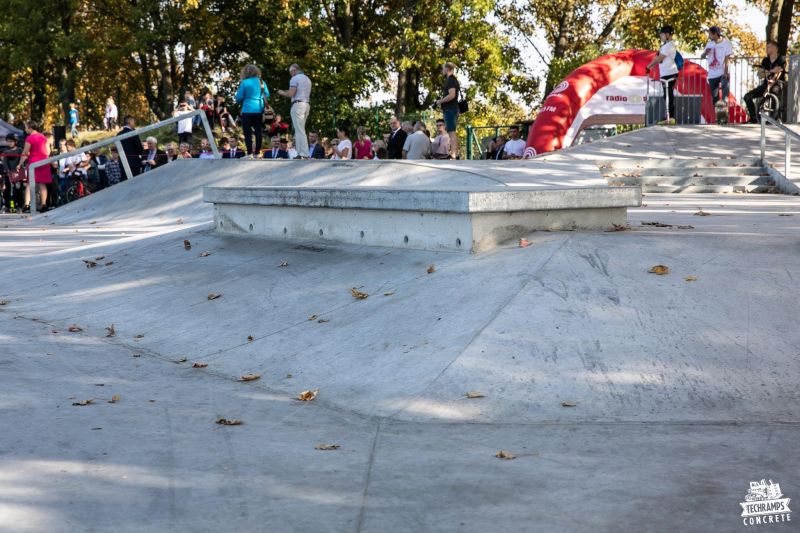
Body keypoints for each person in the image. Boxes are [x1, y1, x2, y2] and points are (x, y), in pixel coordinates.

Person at [744, 41, 787, 123]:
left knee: (774, 92)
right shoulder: (765, 60)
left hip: (778, 82)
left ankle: (776, 117)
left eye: (769, 47)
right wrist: (771, 71)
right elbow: (761, 74)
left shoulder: (781, 59)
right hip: (766, 83)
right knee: (747, 96)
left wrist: (768, 72)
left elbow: (779, 70)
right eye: (766, 47)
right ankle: (753, 118)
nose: (766, 49)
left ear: (775, 48)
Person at [646, 25, 679, 124]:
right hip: (666, 73)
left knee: (668, 96)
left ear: (668, 35)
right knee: (667, 95)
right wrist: (651, 65)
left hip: (669, 73)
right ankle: (669, 117)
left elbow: (659, 58)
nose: (661, 36)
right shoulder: (665, 46)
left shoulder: (669, 46)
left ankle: (670, 118)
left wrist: (648, 66)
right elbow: (657, 57)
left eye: (662, 34)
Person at [278, 64, 312, 158]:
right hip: (306, 104)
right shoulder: (307, 79)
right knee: (301, 129)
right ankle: (302, 153)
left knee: (299, 130)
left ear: (294, 70)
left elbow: (291, 93)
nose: (291, 75)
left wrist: (282, 92)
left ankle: (303, 153)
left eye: (290, 72)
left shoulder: (295, 79)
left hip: (298, 105)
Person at [235, 64, 269, 158]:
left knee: (247, 133)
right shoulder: (261, 81)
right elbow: (267, 94)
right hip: (259, 109)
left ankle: (249, 154)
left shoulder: (244, 83)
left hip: (247, 110)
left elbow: (238, 98)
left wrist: (244, 98)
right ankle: (257, 153)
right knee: (258, 132)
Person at [18, 120, 51, 212]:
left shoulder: (29, 138)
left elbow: (25, 152)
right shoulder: (44, 137)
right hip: (44, 162)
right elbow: (48, 151)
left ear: (30, 128)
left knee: (30, 184)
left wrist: (20, 163)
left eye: (25, 127)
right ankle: (44, 205)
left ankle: (27, 205)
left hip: (34, 161)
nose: (25, 129)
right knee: (42, 184)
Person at [700, 26, 733, 106]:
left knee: (725, 93)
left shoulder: (726, 43)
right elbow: (702, 56)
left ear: (715, 34)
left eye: (710, 34)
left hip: (722, 72)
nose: (709, 36)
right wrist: (705, 52)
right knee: (715, 97)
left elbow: (727, 59)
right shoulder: (709, 44)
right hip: (712, 74)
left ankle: (725, 113)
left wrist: (726, 72)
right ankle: (718, 116)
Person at [434, 62, 460, 158]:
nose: (442, 70)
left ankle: (453, 154)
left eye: (443, 68)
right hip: (452, 109)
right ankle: (453, 153)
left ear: (447, 69)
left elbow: (452, 95)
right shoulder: (453, 80)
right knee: (451, 132)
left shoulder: (450, 80)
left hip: (450, 109)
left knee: (451, 132)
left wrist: (440, 101)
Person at [1, 134, 22, 212]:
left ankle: (19, 206)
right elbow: (4, 162)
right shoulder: (5, 151)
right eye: (8, 141)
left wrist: (20, 168)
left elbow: (22, 160)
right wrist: (7, 170)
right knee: (8, 190)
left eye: (11, 141)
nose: (9, 143)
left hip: (18, 173)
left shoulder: (20, 150)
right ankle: (7, 206)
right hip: (9, 173)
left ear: (15, 142)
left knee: (18, 189)